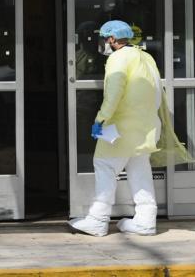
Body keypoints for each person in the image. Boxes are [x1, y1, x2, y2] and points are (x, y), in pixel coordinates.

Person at [68, 19, 162, 237]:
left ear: (112, 39)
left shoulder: (118, 59)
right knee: (139, 169)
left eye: (103, 38)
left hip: (121, 126)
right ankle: (146, 221)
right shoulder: (145, 56)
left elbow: (113, 94)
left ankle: (97, 219)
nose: (102, 43)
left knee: (104, 165)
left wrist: (100, 120)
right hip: (146, 126)